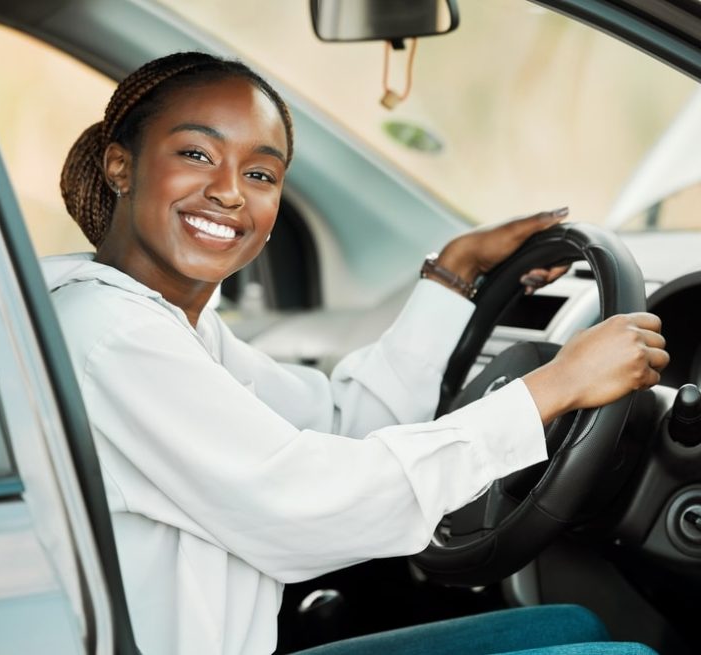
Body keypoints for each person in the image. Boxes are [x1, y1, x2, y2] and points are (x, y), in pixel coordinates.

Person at [42, 51, 666, 655]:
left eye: (259, 173)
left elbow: (345, 426)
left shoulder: (167, 324)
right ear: (120, 166)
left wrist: (453, 275)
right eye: (196, 154)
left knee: (569, 625)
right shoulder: (112, 336)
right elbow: (309, 511)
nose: (230, 192)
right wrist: (554, 390)